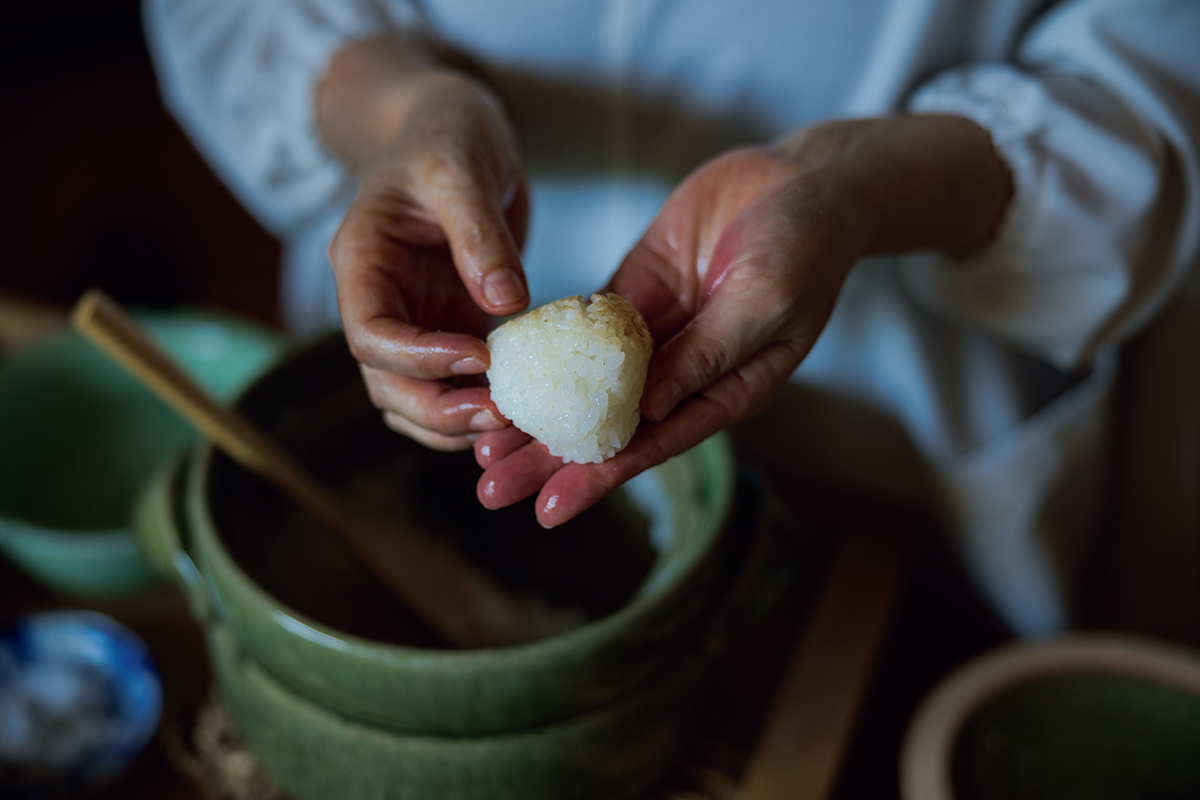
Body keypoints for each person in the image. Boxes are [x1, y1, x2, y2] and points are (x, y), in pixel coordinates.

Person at [143, 0, 1200, 636]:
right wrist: (404, 112)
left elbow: (1153, 64)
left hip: (911, 388)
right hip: (435, 288)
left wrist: (859, 186)